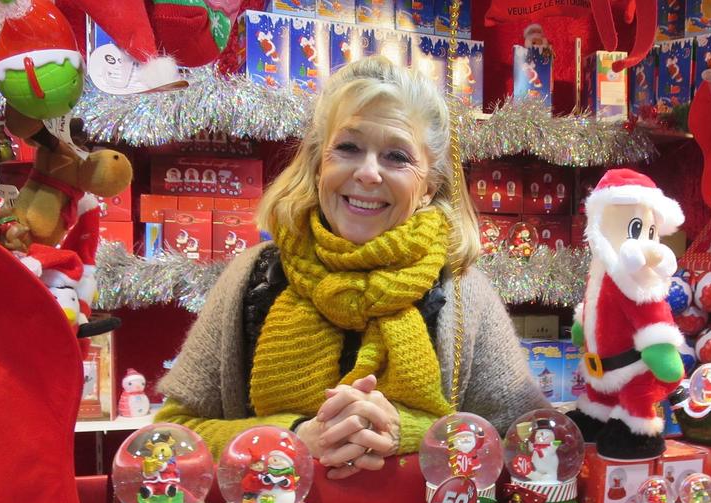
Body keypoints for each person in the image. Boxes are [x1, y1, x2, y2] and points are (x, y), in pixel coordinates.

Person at [156, 57, 548, 479]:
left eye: (396, 156)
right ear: (317, 163)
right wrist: (291, 438)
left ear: (428, 188)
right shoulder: (254, 278)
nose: (367, 173)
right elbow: (170, 439)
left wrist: (410, 433)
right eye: (348, 147)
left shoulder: (462, 291)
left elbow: (528, 441)